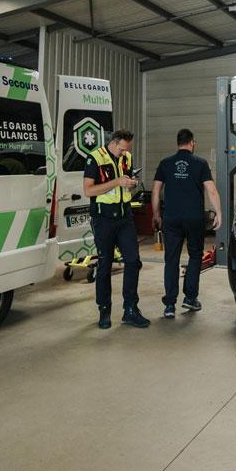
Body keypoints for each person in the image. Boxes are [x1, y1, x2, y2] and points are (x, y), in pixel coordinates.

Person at [151, 129, 221, 318]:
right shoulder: (200, 163)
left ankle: (170, 305)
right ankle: (190, 298)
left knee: (171, 260)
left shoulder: (165, 163)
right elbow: (211, 190)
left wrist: (156, 215)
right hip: (194, 219)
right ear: (192, 143)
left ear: (178, 143)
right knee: (195, 256)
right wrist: (219, 213)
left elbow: (156, 191)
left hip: (171, 219)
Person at [83, 129, 149, 329]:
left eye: (126, 150)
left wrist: (131, 183)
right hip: (103, 219)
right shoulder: (94, 158)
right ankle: (104, 310)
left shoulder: (126, 157)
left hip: (124, 218)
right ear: (114, 143)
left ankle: (130, 309)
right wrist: (117, 182)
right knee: (105, 264)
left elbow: (126, 180)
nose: (124, 153)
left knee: (133, 261)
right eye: (122, 149)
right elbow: (88, 190)